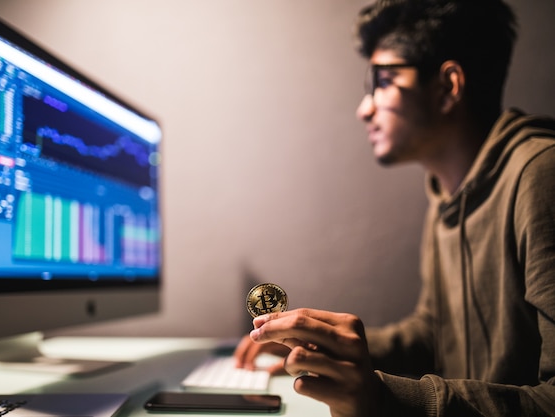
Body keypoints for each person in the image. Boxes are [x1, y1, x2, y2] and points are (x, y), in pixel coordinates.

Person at [233, 0, 555, 416]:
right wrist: (321, 349)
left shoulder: (542, 177)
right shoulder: (445, 193)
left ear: (448, 87)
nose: (364, 109)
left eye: (382, 82)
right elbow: (435, 334)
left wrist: (383, 397)